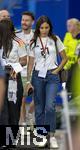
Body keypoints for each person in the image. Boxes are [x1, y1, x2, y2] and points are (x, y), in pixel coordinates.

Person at [27, 16, 67, 148]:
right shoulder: (34, 42)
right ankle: (41, 136)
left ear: (50, 27)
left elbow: (64, 58)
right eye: (42, 27)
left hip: (52, 76)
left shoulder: (55, 39)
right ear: (38, 28)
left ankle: (52, 135)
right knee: (39, 108)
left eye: (47, 27)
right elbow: (31, 62)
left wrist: (56, 71)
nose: (44, 30)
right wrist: (28, 81)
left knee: (50, 106)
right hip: (37, 76)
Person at [0, 19, 27, 125]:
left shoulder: (18, 42)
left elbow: (24, 60)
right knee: (3, 109)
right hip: (1, 76)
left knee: (13, 109)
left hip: (13, 76)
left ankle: (11, 137)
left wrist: (14, 67)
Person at [16, 11, 35, 126]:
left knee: (38, 98)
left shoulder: (37, 36)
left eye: (27, 20)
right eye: (23, 20)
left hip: (36, 71)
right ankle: (23, 123)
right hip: (21, 71)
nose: (24, 22)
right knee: (22, 100)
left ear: (32, 22)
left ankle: (30, 114)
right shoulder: (16, 35)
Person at [63, 18, 80, 94]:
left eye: (70, 26)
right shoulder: (67, 35)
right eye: (67, 26)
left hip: (77, 66)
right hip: (68, 67)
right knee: (68, 91)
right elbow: (64, 51)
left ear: (76, 26)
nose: (68, 27)